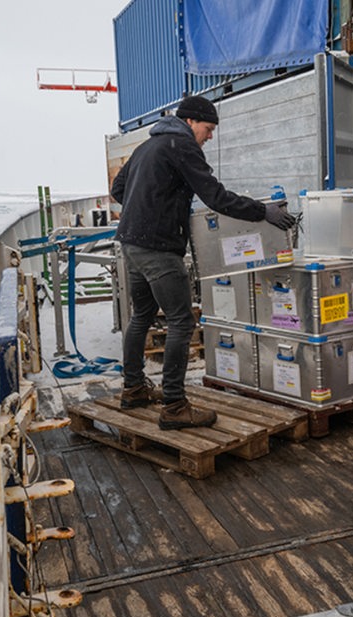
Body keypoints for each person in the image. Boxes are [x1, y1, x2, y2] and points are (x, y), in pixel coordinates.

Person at [111, 95, 296, 430]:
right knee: (182, 323)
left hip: (131, 244)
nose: (209, 137)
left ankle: (134, 388)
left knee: (141, 315)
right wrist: (262, 211)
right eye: (208, 129)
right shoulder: (181, 145)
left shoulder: (147, 146)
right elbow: (215, 196)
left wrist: (150, 205)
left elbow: (118, 189)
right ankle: (174, 406)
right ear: (191, 122)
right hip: (157, 248)